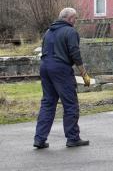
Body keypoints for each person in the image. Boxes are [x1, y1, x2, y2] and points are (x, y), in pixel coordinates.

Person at [33, 8, 91, 149]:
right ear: (70, 18)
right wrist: (83, 73)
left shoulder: (48, 32)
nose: (75, 21)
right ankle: (73, 138)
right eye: (75, 19)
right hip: (60, 69)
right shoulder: (70, 31)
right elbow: (74, 53)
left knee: (47, 103)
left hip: (45, 67)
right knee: (70, 103)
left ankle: (39, 139)